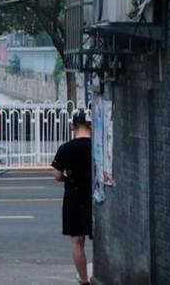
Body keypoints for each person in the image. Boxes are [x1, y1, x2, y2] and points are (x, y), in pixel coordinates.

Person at [52, 108, 92, 285]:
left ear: (72, 127)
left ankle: (84, 280)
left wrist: (69, 177)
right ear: (90, 125)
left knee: (77, 241)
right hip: (96, 197)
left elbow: (57, 176)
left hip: (74, 197)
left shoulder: (65, 149)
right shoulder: (97, 147)